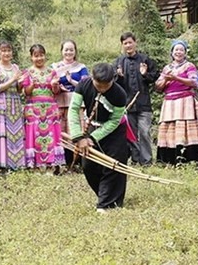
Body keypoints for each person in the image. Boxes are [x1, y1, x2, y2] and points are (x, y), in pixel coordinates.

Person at [68, 63, 129, 211]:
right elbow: (74, 110)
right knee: (89, 165)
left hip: (114, 131)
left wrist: (93, 138)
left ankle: (108, 204)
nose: (101, 89)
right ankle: (104, 195)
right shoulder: (83, 85)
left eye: (105, 85)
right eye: (98, 85)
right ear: (92, 78)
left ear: (112, 81)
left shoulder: (119, 94)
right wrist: (78, 137)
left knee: (114, 166)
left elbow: (114, 120)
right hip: (92, 126)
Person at [155, 40, 198, 164]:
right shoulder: (167, 68)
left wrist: (176, 78)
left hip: (185, 101)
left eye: (181, 50)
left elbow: (194, 83)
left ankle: (190, 158)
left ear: (185, 53)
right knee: (169, 128)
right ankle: (169, 160)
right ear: (172, 52)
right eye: (176, 50)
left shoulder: (189, 66)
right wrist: (166, 80)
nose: (178, 52)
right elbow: (158, 87)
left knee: (186, 129)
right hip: (169, 102)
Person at [114, 32, 159, 165]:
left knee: (144, 132)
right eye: (125, 43)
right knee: (131, 134)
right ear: (122, 45)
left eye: (130, 42)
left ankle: (147, 161)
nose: (128, 45)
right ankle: (135, 159)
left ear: (135, 42)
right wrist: (119, 77)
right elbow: (113, 84)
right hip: (127, 105)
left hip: (144, 103)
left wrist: (145, 75)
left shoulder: (145, 59)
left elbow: (155, 77)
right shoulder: (119, 62)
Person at [21, 44, 65, 170]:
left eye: (41, 55)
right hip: (33, 109)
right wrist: (32, 85)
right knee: (34, 135)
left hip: (50, 108)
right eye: (36, 56)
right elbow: (27, 92)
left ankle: (53, 163)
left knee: (51, 135)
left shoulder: (52, 72)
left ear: (45, 56)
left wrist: (55, 85)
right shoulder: (27, 72)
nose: (39, 58)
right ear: (31, 57)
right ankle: (34, 163)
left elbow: (56, 92)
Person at [51, 39, 89, 169]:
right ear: (62, 51)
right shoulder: (55, 67)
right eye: (66, 49)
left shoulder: (81, 67)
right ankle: (63, 161)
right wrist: (57, 86)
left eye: (71, 49)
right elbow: (51, 86)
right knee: (60, 131)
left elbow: (85, 85)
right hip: (60, 101)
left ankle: (77, 161)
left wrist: (70, 80)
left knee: (76, 130)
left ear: (75, 51)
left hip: (76, 100)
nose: (68, 52)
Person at [0, 41, 26, 170]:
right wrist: (13, 80)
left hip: (15, 103)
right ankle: (3, 164)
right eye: (3, 51)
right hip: (2, 105)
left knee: (17, 133)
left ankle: (18, 163)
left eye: (9, 50)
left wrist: (21, 83)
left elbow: (19, 89)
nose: (6, 53)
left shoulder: (15, 67)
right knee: (3, 134)